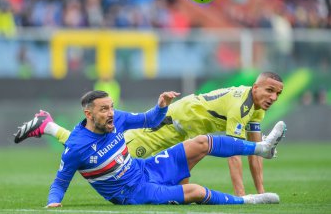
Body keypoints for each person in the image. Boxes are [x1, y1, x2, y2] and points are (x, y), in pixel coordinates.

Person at [15, 72, 284, 196]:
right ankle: (47, 126)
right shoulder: (241, 104)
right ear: (256, 86)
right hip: (153, 135)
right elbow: (235, 153)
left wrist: (260, 191)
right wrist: (242, 196)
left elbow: (252, 151)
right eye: (269, 91)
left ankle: (47, 125)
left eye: (277, 94)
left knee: (181, 181)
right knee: (97, 152)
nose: (273, 97)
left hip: (177, 133)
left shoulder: (256, 109)